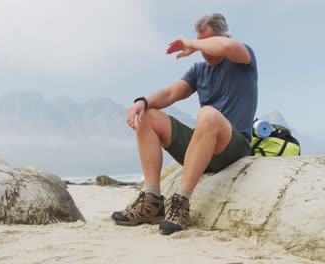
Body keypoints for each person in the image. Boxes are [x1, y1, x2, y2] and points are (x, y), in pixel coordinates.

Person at [111, 13, 258, 235]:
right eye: (201, 45)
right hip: (203, 149)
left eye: (208, 43)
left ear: (224, 35)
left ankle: (180, 203)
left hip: (234, 147)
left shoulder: (242, 58)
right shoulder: (199, 71)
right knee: (148, 114)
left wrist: (192, 43)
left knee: (207, 114)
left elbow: (227, 46)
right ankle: (151, 201)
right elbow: (170, 93)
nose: (205, 51)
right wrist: (142, 102)